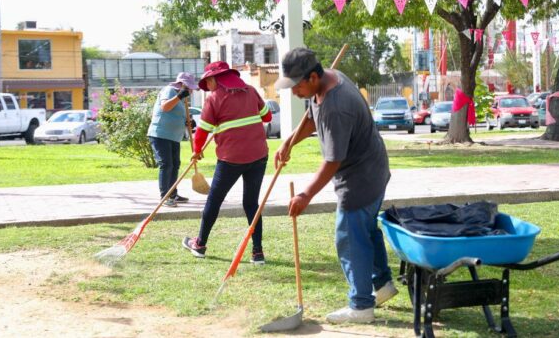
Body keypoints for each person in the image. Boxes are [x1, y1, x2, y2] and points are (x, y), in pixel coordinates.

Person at [274, 47, 397, 324]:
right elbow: (310, 115)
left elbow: (332, 161)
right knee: (365, 231)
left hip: (361, 178)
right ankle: (382, 286)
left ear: (314, 76)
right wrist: (289, 141)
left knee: (349, 238)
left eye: (296, 87)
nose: (294, 93)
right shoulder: (329, 79)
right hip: (374, 169)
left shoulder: (336, 107)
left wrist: (305, 195)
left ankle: (361, 306)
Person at [182, 61, 272, 265]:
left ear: (215, 78)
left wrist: (197, 151)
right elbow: (266, 116)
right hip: (258, 156)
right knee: (251, 204)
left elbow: (202, 131)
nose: (208, 86)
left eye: (208, 81)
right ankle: (257, 253)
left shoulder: (214, 98)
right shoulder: (251, 91)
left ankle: (200, 245)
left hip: (231, 159)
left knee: (214, 200)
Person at [147, 72, 198, 208]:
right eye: (190, 88)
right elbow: (165, 107)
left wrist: (188, 123)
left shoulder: (183, 100)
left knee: (175, 164)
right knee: (166, 164)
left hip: (173, 136)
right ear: (182, 85)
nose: (192, 91)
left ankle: (173, 193)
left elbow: (178, 115)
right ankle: (165, 197)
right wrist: (180, 95)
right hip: (160, 134)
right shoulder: (169, 91)